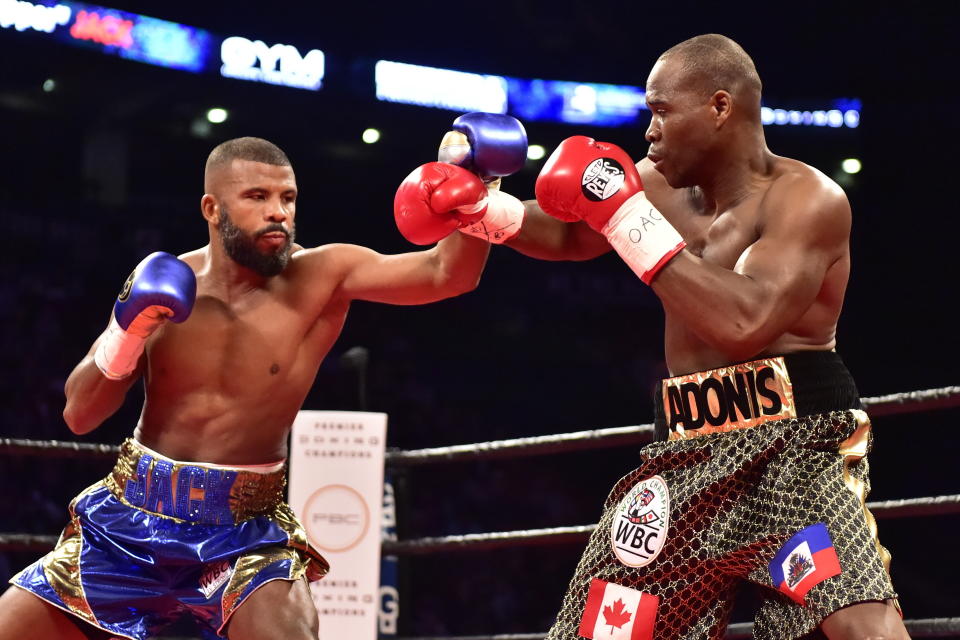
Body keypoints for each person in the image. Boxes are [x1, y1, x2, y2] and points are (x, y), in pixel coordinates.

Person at [408, 34, 908, 640]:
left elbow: (745, 323)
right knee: (606, 628)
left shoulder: (808, 199)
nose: (648, 130)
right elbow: (570, 236)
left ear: (720, 107)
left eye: (661, 111)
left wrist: (626, 216)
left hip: (797, 449)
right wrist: (480, 209)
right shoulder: (657, 184)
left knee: (859, 621)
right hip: (684, 449)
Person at [0, 131, 526, 640]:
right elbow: (79, 415)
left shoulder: (324, 274)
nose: (280, 211)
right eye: (257, 196)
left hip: (243, 534)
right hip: (127, 522)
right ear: (212, 209)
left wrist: (477, 187)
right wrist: (127, 329)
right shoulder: (166, 286)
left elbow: (447, 274)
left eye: (288, 197)